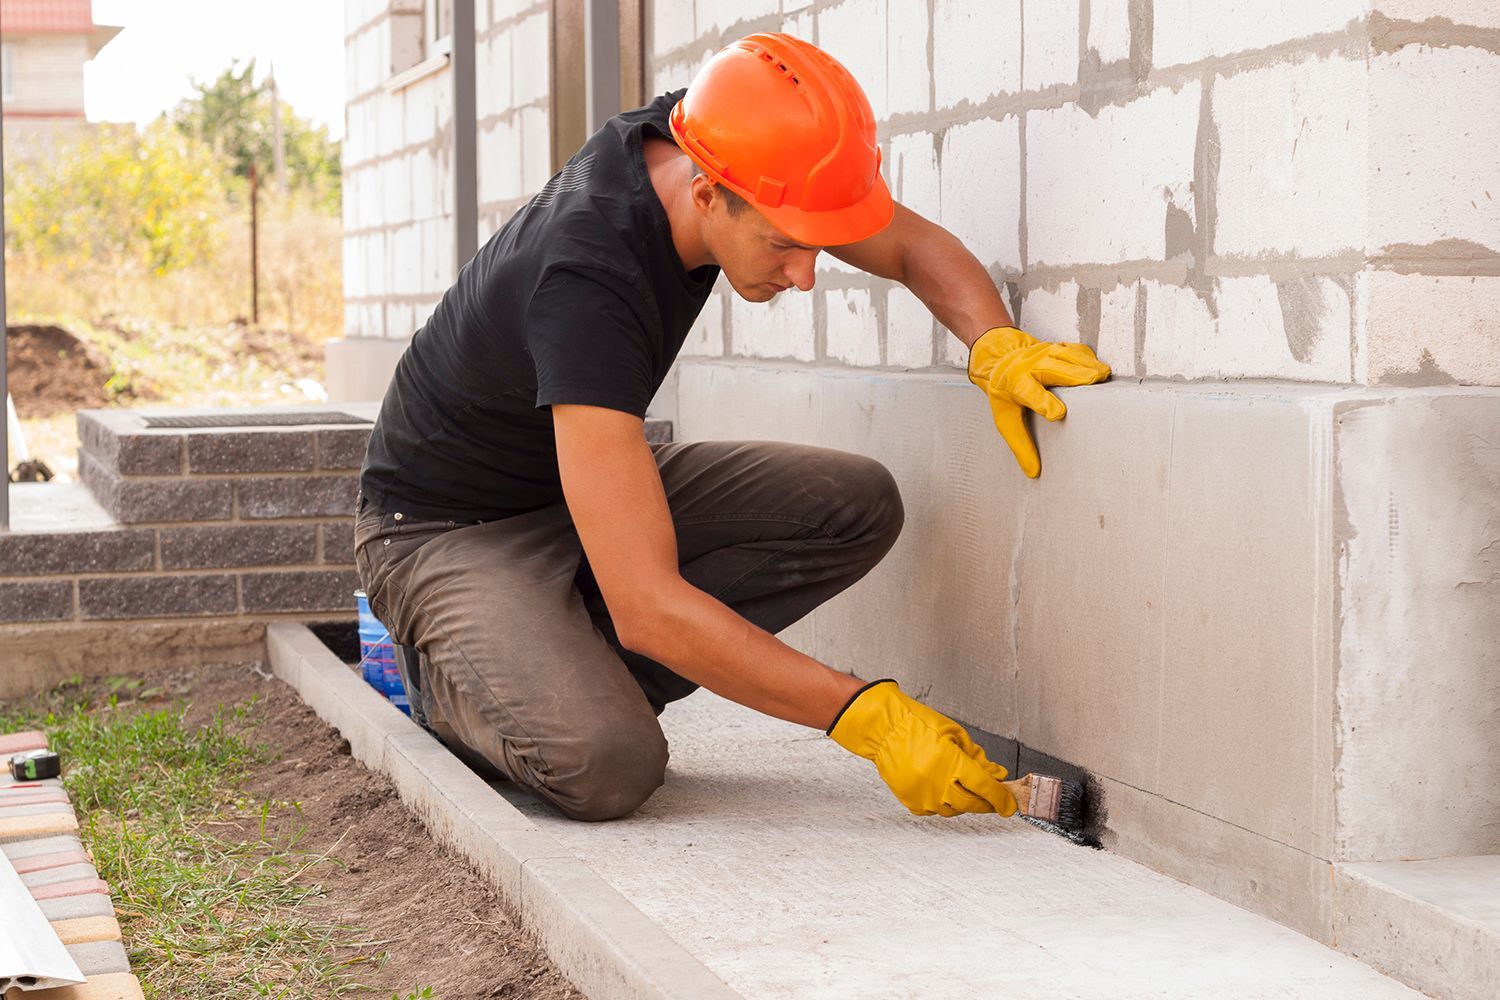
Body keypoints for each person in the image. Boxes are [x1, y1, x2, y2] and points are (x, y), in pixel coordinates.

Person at [353, 32, 1110, 822]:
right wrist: (866, 717)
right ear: (707, 194)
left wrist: (994, 344)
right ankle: (458, 685)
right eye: (784, 245)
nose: (806, 276)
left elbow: (910, 245)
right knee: (605, 765)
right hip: (444, 533)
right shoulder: (587, 286)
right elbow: (647, 606)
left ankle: (568, 670)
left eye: (816, 246)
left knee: (851, 503)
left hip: (568, 490)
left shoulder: (721, 141)